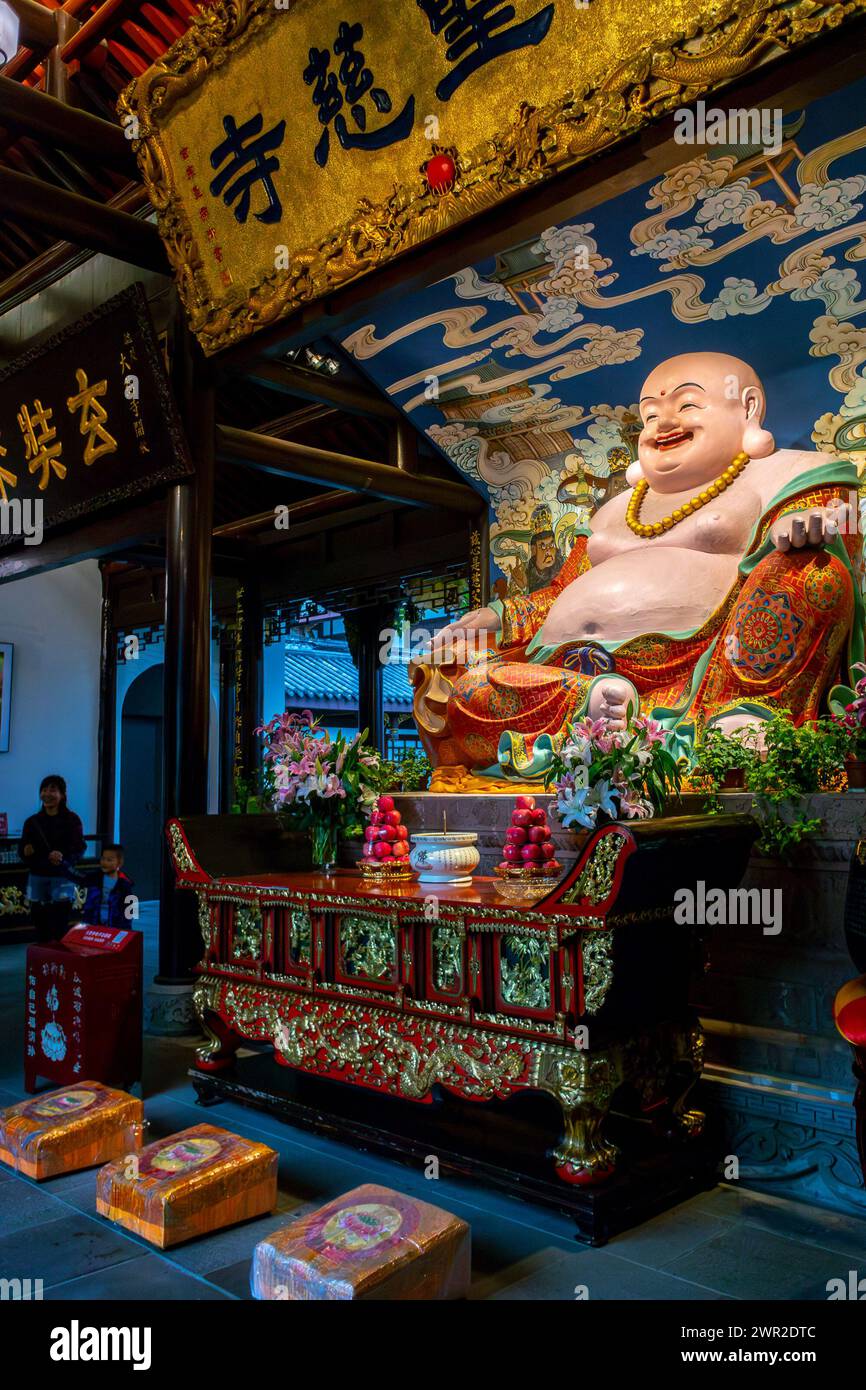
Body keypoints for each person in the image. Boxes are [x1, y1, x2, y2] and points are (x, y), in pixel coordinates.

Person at [18, 775, 86, 942]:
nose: (47, 793)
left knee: (60, 918)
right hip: (37, 876)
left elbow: (79, 848)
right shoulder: (32, 822)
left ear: (62, 795)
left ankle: (58, 954)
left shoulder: (72, 820)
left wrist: (63, 858)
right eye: (44, 790)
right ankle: (43, 953)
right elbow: (23, 850)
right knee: (37, 917)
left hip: (61, 876)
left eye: (53, 790)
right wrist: (28, 852)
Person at [73, 843, 134, 930]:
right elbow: (76, 876)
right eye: (103, 858)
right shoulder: (93, 878)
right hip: (92, 926)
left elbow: (130, 913)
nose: (104, 862)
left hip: (114, 928)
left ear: (119, 863)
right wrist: (62, 863)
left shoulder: (126, 885)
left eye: (109, 860)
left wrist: (125, 932)